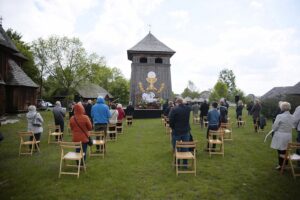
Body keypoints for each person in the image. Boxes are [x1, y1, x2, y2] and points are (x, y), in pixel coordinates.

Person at [270, 102, 293, 170]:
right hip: (288, 135)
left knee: (280, 151)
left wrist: (274, 127)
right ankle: (285, 164)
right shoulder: (292, 116)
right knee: (286, 150)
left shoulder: (280, 116)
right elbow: (293, 125)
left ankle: (281, 165)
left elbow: (275, 127)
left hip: (281, 135)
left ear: (282, 108)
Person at [169, 97, 191, 167]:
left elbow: (171, 120)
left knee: (176, 147)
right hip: (185, 130)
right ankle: (185, 164)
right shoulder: (188, 108)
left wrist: (173, 128)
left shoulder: (174, 109)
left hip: (177, 131)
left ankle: (177, 163)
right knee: (185, 147)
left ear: (177, 102)